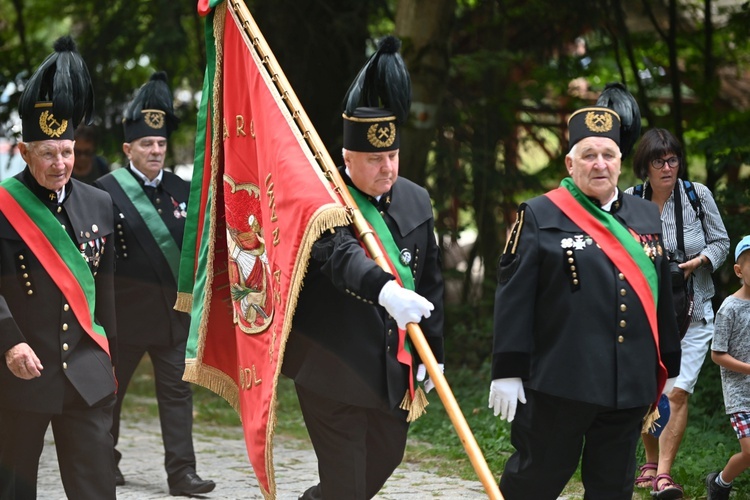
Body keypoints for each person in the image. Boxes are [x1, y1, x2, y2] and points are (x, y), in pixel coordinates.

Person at [488, 98, 682, 499]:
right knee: (535, 480)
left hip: (627, 384)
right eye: (588, 155)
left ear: (620, 161)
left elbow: (661, 292)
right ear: (570, 164)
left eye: (608, 154)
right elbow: (514, 296)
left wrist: (669, 363)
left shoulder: (646, 215)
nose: (599, 164)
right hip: (560, 383)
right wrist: (507, 368)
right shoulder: (540, 214)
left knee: (612, 487)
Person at [282, 35, 445, 500]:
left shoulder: (416, 198)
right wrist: (386, 291)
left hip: (391, 367)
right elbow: (340, 259)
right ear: (347, 159)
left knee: (386, 457)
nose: (387, 168)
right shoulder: (324, 199)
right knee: (347, 481)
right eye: (374, 160)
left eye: (392, 156)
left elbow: (430, 280)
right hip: (331, 362)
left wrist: (434, 353)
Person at [0, 36, 118, 500]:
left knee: (96, 488)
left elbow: (105, 297)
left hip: (85, 374)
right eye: (48, 153)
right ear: (25, 152)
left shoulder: (100, 203)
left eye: (66, 151)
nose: (60, 163)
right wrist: (9, 344)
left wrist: (112, 365)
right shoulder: (5, 205)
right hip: (21, 373)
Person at [93, 72, 215, 497]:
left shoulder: (183, 191)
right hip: (122, 318)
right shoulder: (104, 192)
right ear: (128, 148)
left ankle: (182, 474)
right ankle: (104, 461)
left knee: (178, 397)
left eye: (161, 144)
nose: (156, 151)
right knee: (110, 396)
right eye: (147, 144)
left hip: (171, 319)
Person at [626, 128, 730, 498]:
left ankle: (663, 475)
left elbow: (722, 242)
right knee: (647, 391)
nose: (667, 167)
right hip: (644, 313)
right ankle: (650, 460)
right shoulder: (629, 201)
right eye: (659, 161)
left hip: (695, 310)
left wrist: (697, 262)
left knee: (678, 392)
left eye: (673, 160)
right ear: (645, 165)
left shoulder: (697, 196)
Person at [705, 235, 750, 499]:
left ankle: (721, 484)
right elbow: (717, 354)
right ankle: (721, 482)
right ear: (739, 270)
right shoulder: (729, 308)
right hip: (740, 395)